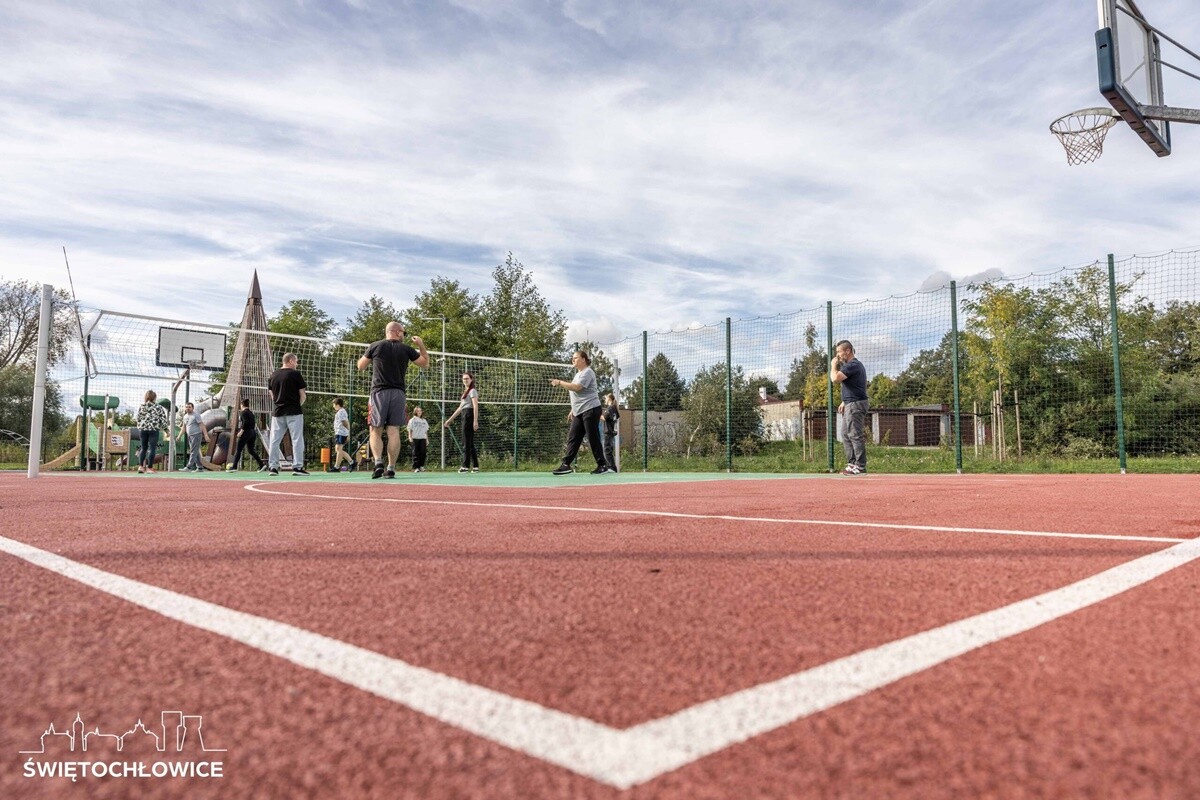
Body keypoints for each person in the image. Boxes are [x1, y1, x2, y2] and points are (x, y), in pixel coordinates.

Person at [356, 321, 428, 479]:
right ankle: (391, 468)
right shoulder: (406, 349)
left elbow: (360, 366)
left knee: (375, 429)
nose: (404, 335)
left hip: (379, 393)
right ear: (396, 332)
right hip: (398, 393)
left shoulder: (375, 346)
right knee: (393, 431)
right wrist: (421, 345)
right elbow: (425, 363)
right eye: (403, 332)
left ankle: (378, 463)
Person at [548, 350, 609, 475]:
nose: (573, 360)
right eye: (572, 358)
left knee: (593, 438)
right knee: (573, 437)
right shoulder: (578, 374)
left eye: (575, 358)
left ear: (583, 359)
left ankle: (602, 465)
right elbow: (577, 394)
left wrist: (559, 382)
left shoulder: (588, 372)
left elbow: (577, 388)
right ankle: (566, 465)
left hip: (591, 409)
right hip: (579, 411)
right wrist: (573, 409)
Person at [267, 352, 309, 476]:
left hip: (278, 411)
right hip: (294, 411)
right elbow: (303, 395)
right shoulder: (295, 374)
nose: (297, 363)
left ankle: (273, 467)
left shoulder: (273, 375)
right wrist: (297, 405)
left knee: (274, 440)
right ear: (290, 361)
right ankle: (297, 467)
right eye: (296, 361)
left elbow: (272, 395)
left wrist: (280, 403)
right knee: (297, 440)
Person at [831, 339, 869, 475]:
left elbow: (835, 378)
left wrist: (833, 365)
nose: (838, 355)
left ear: (848, 351)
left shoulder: (852, 365)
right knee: (845, 434)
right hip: (850, 403)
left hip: (856, 404)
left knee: (854, 435)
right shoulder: (853, 366)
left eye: (839, 352)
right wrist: (844, 401)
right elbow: (856, 386)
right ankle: (852, 464)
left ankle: (860, 465)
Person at [443, 372, 480, 472]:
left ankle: (465, 466)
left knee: (466, 442)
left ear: (471, 379)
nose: (465, 380)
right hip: (464, 414)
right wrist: (450, 420)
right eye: (464, 379)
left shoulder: (472, 391)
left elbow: (475, 406)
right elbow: (460, 408)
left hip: (469, 415)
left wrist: (475, 421)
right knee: (470, 442)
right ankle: (475, 466)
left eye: (467, 378)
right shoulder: (465, 392)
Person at [134, 390, 168, 474]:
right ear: (154, 398)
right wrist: (166, 430)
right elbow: (163, 420)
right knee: (152, 448)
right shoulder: (158, 407)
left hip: (143, 430)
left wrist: (140, 427)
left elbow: (137, 419)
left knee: (143, 448)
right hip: (153, 429)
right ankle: (149, 467)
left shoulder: (142, 407)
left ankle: (141, 466)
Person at [230, 398, 264, 471]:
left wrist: (241, 432)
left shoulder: (243, 413)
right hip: (253, 432)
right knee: (251, 450)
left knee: (238, 449)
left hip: (246, 432)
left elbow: (245, 422)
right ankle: (261, 464)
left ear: (242, 405)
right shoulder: (251, 413)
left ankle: (234, 467)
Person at [181, 401, 211, 472]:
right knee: (196, 451)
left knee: (193, 451)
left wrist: (206, 435)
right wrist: (179, 436)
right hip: (190, 436)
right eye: (186, 407)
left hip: (196, 435)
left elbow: (202, 425)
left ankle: (189, 467)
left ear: (192, 408)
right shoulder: (185, 417)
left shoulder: (196, 415)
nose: (188, 408)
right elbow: (183, 427)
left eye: (189, 407)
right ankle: (200, 467)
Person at [331, 397, 353, 471]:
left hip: (341, 433)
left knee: (339, 449)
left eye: (334, 404)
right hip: (339, 432)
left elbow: (345, 422)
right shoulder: (340, 411)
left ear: (337, 404)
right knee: (338, 449)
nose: (333, 406)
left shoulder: (341, 411)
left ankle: (336, 467)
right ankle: (351, 462)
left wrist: (348, 433)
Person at [407, 406, 429, 472]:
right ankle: (416, 467)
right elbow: (410, 429)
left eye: (420, 411)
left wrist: (427, 439)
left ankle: (421, 466)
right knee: (415, 453)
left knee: (423, 452)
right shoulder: (412, 420)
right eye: (418, 411)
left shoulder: (424, 421)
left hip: (423, 438)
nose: (419, 412)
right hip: (415, 438)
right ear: (415, 412)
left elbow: (426, 431)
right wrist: (410, 437)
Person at [602, 392, 620, 473]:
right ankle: (612, 466)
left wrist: (596, 413)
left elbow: (604, 417)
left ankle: (611, 467)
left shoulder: (609, 408)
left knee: (607, 449)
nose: (605, 400)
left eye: (606, 398)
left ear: (609, 399)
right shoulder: (614, 408)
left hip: (608, 431)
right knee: (609, 449)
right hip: (611, 431)